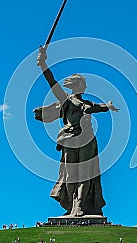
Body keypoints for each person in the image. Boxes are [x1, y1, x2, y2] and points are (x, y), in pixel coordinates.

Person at [35, 46, 119, 217]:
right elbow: (52, 81)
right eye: (84, 83)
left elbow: (99, 107)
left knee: (85, 174)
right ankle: (71, 206)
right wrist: (43, 63)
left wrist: (108, 106)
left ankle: (79, 206)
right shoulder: (65, 99)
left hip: (87, 140)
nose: (86, 86)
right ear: (77, 85)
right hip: (70, 139)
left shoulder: (87, 103)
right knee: (70, 175)